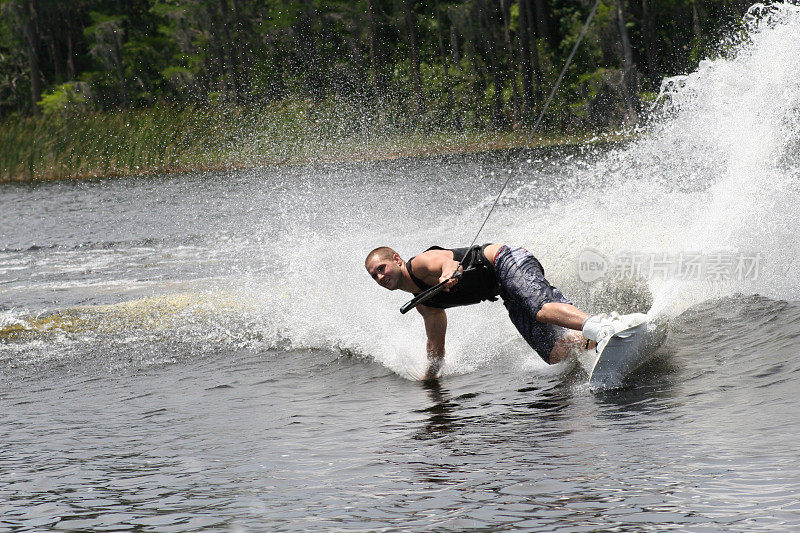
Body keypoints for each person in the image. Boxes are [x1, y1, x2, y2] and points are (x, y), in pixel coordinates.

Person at [364, 243, 619, 381]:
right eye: (374, 275)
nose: (380, 276)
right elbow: (436, 345)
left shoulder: (419, 264)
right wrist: (429, 378)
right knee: (555, 353)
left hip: (505, 261)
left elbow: (446, 262)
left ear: (397, 259)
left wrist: (447, 273)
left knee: (540, 309)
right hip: (504, 289)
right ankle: (599, 340)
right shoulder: (426, 304)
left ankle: (601, 326)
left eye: (382, 268)